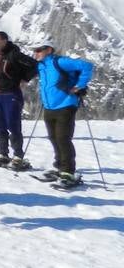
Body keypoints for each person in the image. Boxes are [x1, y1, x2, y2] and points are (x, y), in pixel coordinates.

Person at [31, 40, 94, 189]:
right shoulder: (41, 66)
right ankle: (59, 167)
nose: (36, 53)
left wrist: (80, 85)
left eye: (39, 50)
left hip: (66, 104)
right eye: (35, 50)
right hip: (49, 106)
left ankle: (68, 172)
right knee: (53, 137)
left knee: (63, 138)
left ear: (49, 50)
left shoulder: (60, 62)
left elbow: (87, 66)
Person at [0, 31, 33, 170]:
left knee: (13, 127)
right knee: (0, 126)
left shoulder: (15, 54)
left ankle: (18, 156)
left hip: (12, 94)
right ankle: (3, 155)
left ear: (5, 40)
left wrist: (25, 79)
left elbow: (34, 65)